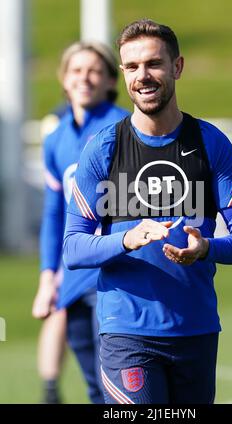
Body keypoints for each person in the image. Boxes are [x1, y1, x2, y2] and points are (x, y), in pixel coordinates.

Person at [63, 19, 232, 404]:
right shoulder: (103, 149)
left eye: (153, 63)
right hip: (126, 333)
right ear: (122, 73)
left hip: (197, 330)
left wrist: (206, 248)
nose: (143, 76)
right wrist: (126, 239)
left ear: (177, 67)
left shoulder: (211, 144)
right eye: (132, 67)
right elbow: (73, 248)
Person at [32, 41, 129, 404]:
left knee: (117, 387)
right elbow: (54, 212)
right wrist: (47, 278)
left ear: (108, 80)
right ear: (64, 78)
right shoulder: (56, 138)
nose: (83, 78)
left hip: (113, 272)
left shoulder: (123, 126)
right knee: (94, 387)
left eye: (93, 70)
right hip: (73, 275)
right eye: (76, 70)